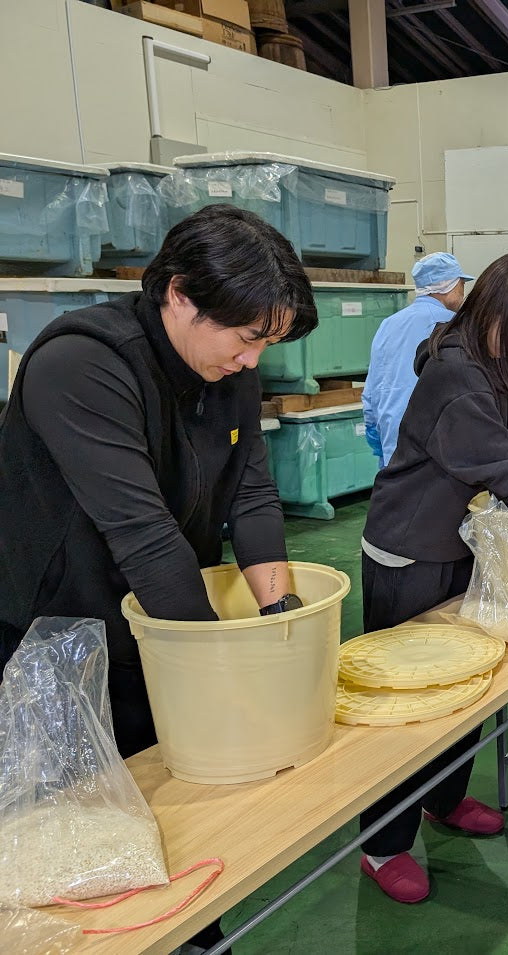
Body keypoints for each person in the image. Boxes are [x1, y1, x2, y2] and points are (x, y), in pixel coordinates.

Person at [0, 204, 318, 951]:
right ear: (179, 293)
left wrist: (284, 620)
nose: (252, 362)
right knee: (68, 861)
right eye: (247, 339)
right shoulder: (79, 364)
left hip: (152, 631)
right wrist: (228, 682)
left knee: (172, 829)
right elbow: (148, 541)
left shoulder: (227, 364)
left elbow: (253, 495)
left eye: (265, 345)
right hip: (50, 646)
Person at [356, 252, 508, 905]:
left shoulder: (498, 370)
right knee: (406, 705)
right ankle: (383, 842)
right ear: (490, 311)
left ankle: (442, 799)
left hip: (459, 547)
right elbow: (498, 462)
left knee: (469, 681)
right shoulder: (454, 374)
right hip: (407, 551)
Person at [363, 251, 474, 467]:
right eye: (460, 283)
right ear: (449, 286)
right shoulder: (453, 327)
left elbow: (371, 393)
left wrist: (380, 447)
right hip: (440, 450)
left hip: (392, 446)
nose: (462, 290)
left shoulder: (388, 325)